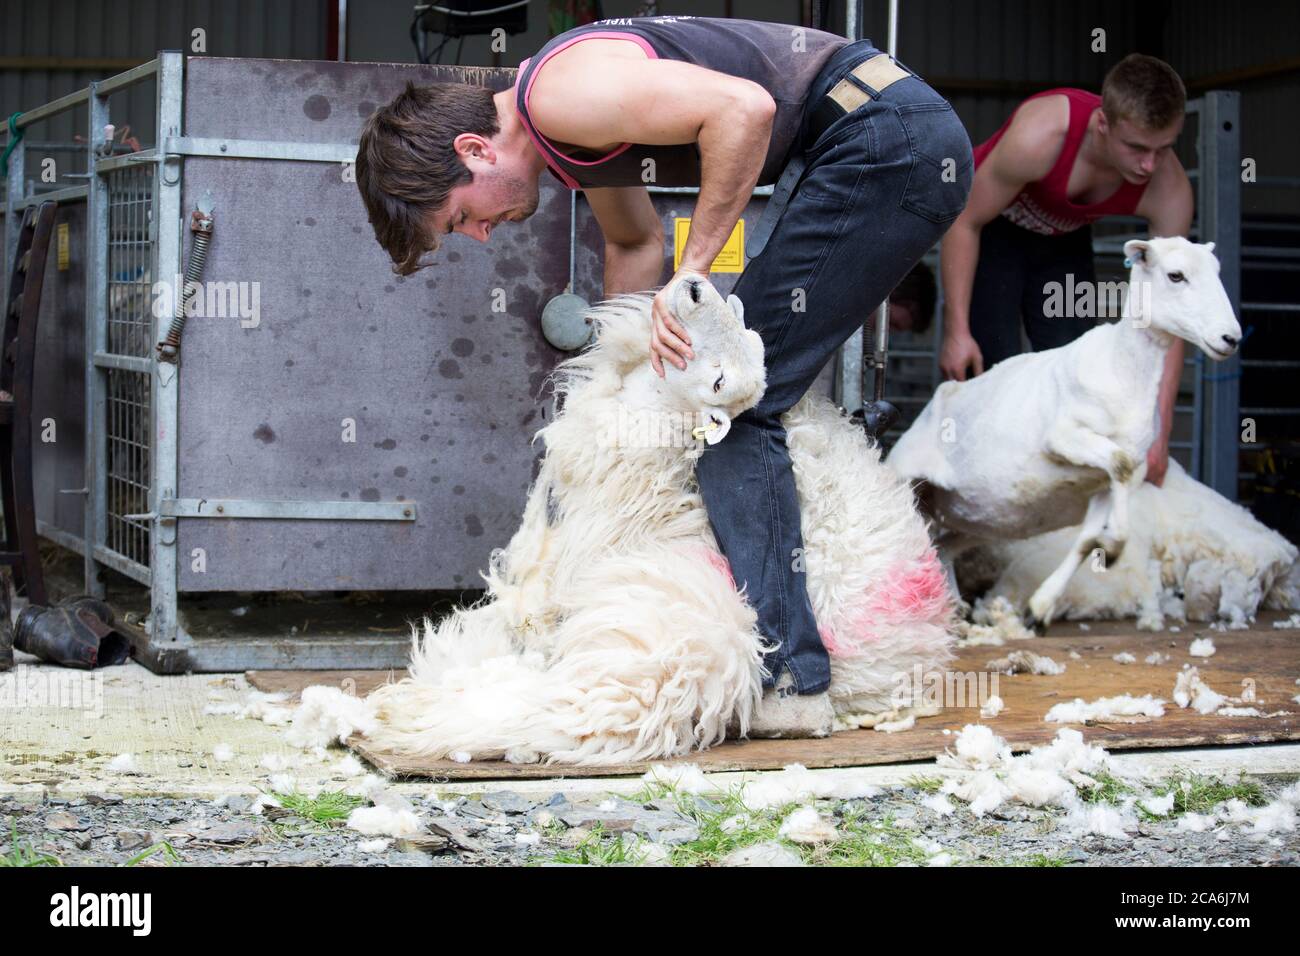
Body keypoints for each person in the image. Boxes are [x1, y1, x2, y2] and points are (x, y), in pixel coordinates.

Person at [355, 15, 972, 737]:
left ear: (474, 149)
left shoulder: (557, 93)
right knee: (710, 388)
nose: (483, 235)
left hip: (883, 140)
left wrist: (693, 274)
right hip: (868, 142)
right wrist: (613, 390)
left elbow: (745, 111)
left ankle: (791, 678)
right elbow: (633, 239)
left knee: (736, 404)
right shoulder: (563, 132)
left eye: (463, 218)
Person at [937, 54, 1192, 486]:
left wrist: (1159, 431)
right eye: (1137, 148)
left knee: (1077, 371)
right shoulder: (1041, 136)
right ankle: (984, 484)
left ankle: (1052, 500)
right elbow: (966, 221)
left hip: (1064, 243)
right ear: (1102, 125)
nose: (1149, 165)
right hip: (996, 232)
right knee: (995, 367)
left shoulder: (1168, 188)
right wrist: (956, 331)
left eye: (1163, 148)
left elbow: (1168, 318)